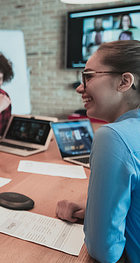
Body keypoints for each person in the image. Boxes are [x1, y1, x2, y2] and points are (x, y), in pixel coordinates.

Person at [55, 40, 140, 263]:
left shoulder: (113, 136)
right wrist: (94, 209)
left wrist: (96, 220)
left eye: (89, 76)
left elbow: (105, 251)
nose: (79, 87)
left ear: (124, 81)